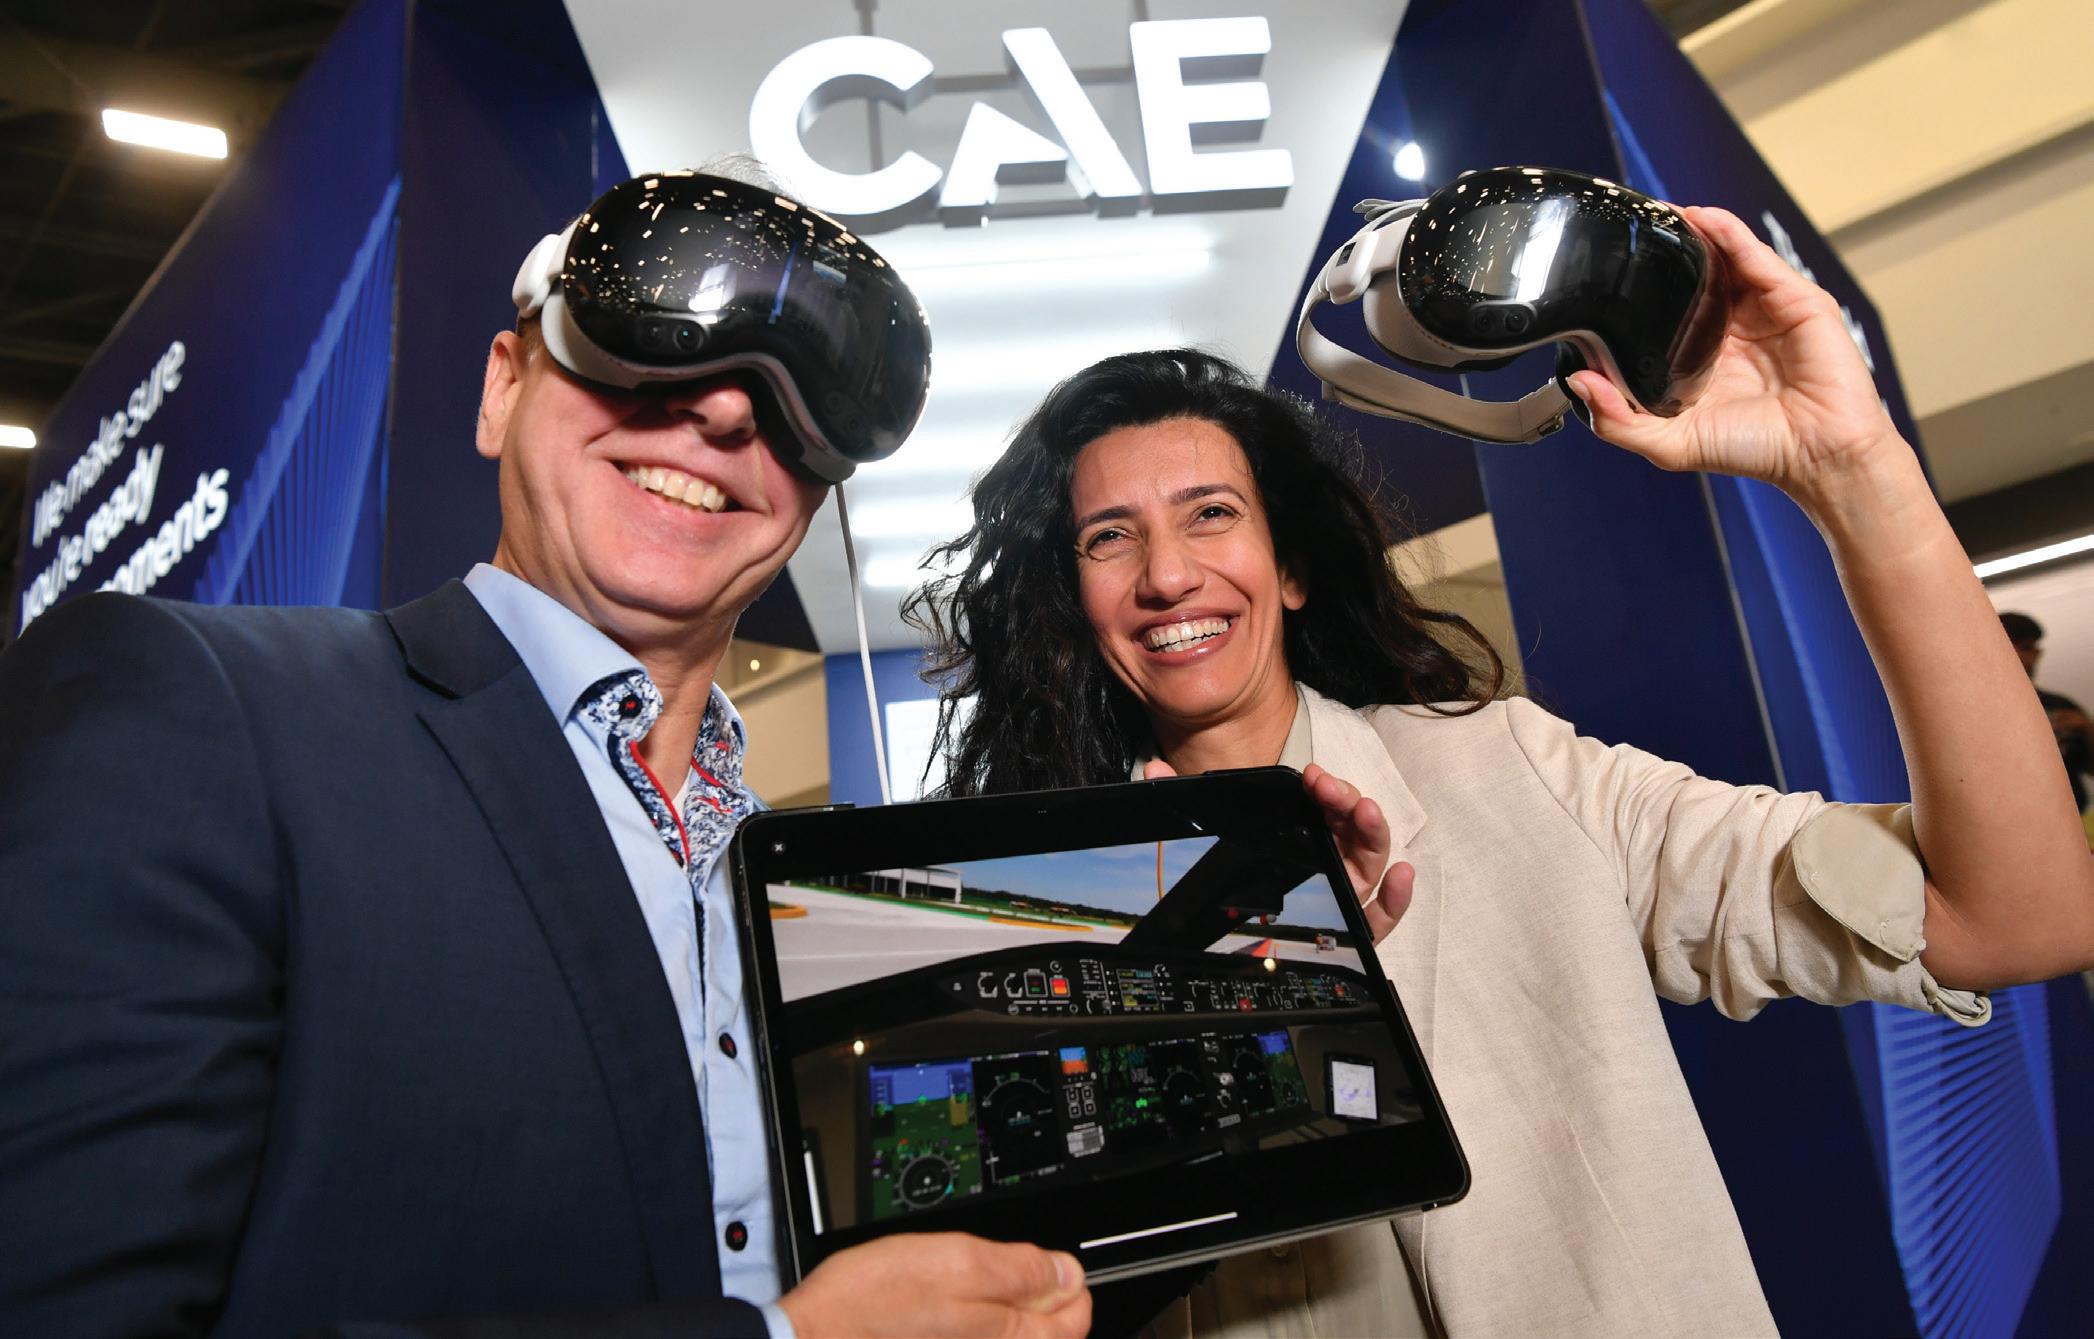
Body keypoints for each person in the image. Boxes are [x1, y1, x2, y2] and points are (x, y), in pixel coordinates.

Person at [906, 205, 2094, 1336]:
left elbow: (2011, 915)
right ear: (1074, 603)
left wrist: (1854, 470)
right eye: (1109, 536)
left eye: (1210, 512)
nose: (1167, 574)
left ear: (1294, 568)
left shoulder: (1512, 773)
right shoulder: (1039, 909)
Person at [0, 168, 1090, 1339]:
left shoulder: (815, 892)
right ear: (502, 388)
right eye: (648, 338)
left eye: (795, 397)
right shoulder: (202, 711)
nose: (727, 412)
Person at [1999, 610, 2093, 815]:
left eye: (2027, 648)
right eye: (2010, 645)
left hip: (2073, 816)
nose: (2020, 656)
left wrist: (2087, 729)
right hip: (2014, 818)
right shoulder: (1980, 711)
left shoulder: (2061, 705)